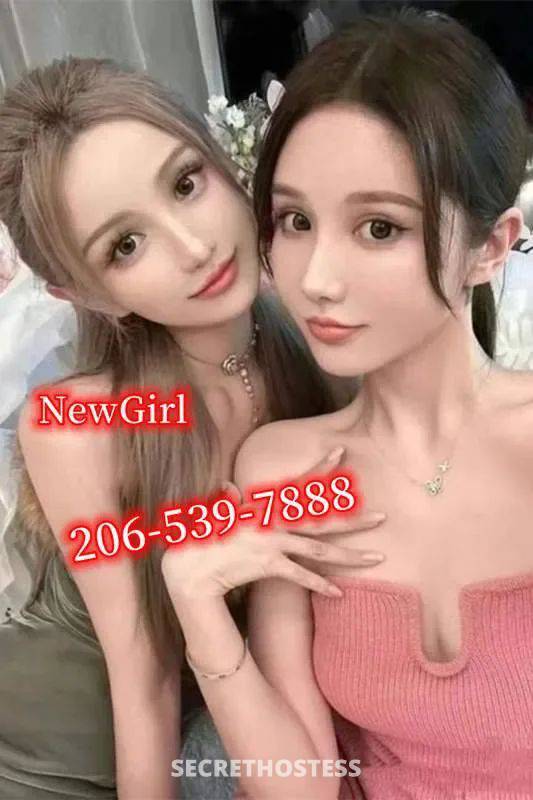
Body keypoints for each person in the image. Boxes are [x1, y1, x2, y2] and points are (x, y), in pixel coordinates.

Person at [160, 8, 533, 799]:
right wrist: (198, 612)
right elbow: (300, 787)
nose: (315, 278)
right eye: (295, 221)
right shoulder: (284, 468)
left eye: (378, 227)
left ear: (490, 246)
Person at [0, 57, 386, 799]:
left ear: (218, 159)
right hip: (60, 761)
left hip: (230, 722)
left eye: (185, 183)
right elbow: (143, 682)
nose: (195, 246)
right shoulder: (80, 426)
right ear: (83, 293)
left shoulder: (311, 328)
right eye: (125, 245)